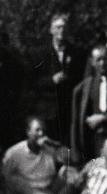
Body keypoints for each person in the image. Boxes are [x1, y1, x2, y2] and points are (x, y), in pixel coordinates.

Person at [33, 13, 86, 144]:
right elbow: (32, 81)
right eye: (57, 27)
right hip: (48, 110)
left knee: (68, 148)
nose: (61, 31)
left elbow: (82, 79)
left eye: (64, 27)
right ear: (51, 30)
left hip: (68, 110)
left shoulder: (77, 52)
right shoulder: (40, 53)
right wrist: (52, 80)